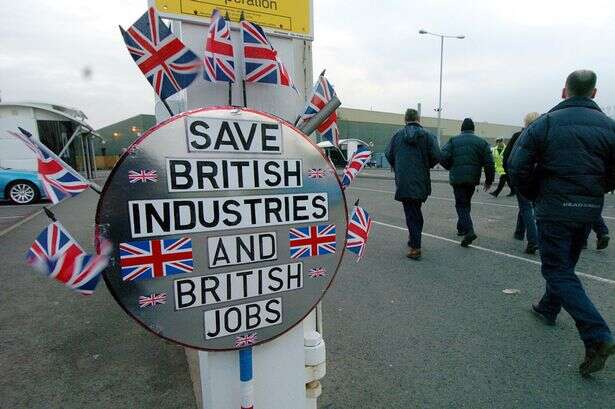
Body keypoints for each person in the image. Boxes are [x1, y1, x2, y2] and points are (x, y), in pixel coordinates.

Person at [508, 69, 615, 377]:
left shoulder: (545, 123)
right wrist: (599, 188)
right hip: (587, 209)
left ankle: (597, 335)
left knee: (557, 270)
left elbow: (517, 165)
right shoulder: (609, 127)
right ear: (594, 93)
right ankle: (548, 308)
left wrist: (533, 193)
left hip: (554, 208)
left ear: (564, 91)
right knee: (565, 267)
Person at [385, 109, 440, 260]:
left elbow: (388, 153)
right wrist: (426, 164)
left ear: (405, 119)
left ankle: (415, 246)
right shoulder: (428, 136)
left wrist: (398, 166)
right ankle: (414, 239)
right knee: (414, 210)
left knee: (412, 212)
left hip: (403, 179)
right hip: (421, 178)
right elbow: (436, 155)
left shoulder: (397, 135)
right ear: (418, 118)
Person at [440, 118, 495, 247]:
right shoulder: (481, 142)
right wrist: (489, 180)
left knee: (461, 205)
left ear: (462, 129)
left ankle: (469, 230)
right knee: (466, 203)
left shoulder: (453, 141)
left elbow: (442, 157)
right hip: (472, 179)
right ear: (473, 129)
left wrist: (449, 166)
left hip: (457, 178)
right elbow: (489, 163)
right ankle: (461, 228)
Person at [502, 112, 540, 254]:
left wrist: (511, 175)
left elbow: (507, 157)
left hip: (522, 177)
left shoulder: (518, 136)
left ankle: (533, 240)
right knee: (529, 207)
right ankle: (519, 232)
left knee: (525, 207)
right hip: (538, 178)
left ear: (525, 122)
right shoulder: (543, 137)